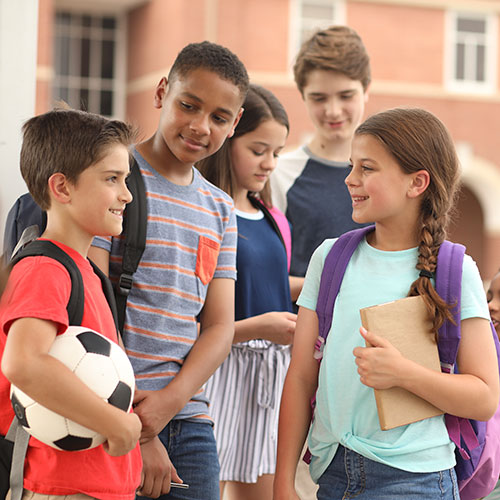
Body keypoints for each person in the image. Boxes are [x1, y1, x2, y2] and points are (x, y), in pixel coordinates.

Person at [273, 107, 499, 500]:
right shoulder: (329, 259)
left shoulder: (456, 270)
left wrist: (403, 373)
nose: (350, 179)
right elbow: (300, 378)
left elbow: (483, 398)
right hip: (331, 474)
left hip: (416, 480)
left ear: (417, 183)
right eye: (351, 166)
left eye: (367, 168)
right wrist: (282, 483)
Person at [89, 41, 249, 500]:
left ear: (234, 123)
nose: (201, 126)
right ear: (162, 92)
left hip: (190, 421)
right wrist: (142, 429)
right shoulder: (113, 178)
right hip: (109, 410)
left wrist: (172, 402)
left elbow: (219, 327)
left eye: (219, 117)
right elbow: (92, 304)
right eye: (189, 105)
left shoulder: (220, 208)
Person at [0, 107, 142, 500]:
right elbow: (23, 362)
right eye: (112, 179)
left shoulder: (87, 273)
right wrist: (114, 423)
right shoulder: (45, 267)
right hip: (60, 487)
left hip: (98, 487)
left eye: (125, 179)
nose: (126, 194)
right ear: (62, 188)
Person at [197, 84, 296, 500]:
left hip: (271, 374)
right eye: (259, 150)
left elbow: (264, 280)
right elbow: (193, 310)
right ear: (228, 140)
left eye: (277, 152)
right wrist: (257, 326)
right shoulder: (205, 210)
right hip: (218, 370)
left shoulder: (272, 216)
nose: (270, 163)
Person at [271, 25, 371, 280]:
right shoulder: (278, 173)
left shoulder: (392, 171)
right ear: (303, 97)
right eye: (319, 98)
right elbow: (270, 274)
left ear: (366, 89)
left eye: (346, 96)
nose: (333, 111)